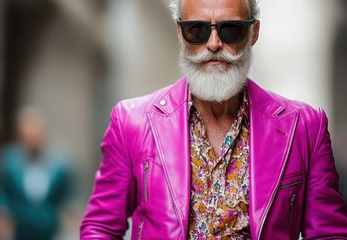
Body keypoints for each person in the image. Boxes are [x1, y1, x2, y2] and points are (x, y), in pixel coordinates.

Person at [80, 0, 347, 239]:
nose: (214, 44)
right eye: (197, 30)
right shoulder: (131, 122)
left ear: (253, 33)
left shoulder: (305, 127)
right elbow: (100, 228)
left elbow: (329, 234)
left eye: (231, 29)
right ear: (179, 34)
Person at [0, 107, 74, 240]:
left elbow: (68, 195)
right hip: (20, 229)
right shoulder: (9, 161)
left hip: (49, 229)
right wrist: (1, 214)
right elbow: (1, 193)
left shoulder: (59, 165)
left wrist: (71, 215)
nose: (32, 137)